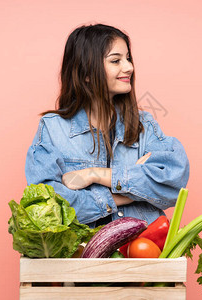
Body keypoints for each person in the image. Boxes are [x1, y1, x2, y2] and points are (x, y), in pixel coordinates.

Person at [25, 23, 189, 228]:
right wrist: (125, 194)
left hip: (141, 253)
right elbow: (50, 210)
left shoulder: (143, 124)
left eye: (128, 58)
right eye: (116, 60)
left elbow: (174, 181)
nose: (129, 67)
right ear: (86, 73)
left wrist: (93, 174)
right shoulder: (53, 129)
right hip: (80, 256)